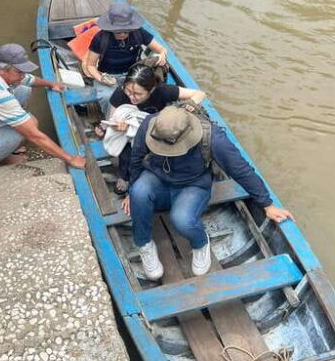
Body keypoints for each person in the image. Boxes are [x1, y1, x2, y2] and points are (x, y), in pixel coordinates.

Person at [123, 106, 294, 280]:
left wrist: (267, 204)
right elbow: (136, 159)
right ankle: (144, 244)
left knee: (181, 219)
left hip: (192, 184)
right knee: (138, 192)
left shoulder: (212, 137)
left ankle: (200, 243)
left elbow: (241, 170)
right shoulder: (149, 125)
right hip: (156, 175)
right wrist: (130, 191)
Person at [0, 43, 86, 170]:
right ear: (2, 69)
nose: (23, 75)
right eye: (19, 71)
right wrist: (71, 159)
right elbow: (34, 136)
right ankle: (2, 157)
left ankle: (9, 146)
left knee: (24, 89)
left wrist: (51, 84)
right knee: (30, 125)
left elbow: (28, 79)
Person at [103, 63, 206, 195]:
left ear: (151, 90)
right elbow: (113, 118)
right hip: (130, 134)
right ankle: (124, 176)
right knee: (128, 153)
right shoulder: (120, 93)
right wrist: (118, 126)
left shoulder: (163, 91)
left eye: (138, 94)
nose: (131, 97)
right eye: (128, 91)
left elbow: (199, 94)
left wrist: (187, 107)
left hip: (158, 131)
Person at [83, 2, 167, 114]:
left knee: (147, 93)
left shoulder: (138, 33)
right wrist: (101, 78)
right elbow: (91, 66)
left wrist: (162, 56)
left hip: (132, 74)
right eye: (118, 32)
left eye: (126, 31)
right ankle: (111, 121)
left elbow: (161, 49)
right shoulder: (100, 38)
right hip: (108, 75)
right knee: (108, 97)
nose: (122, 34)